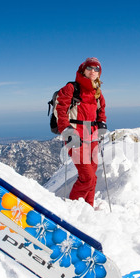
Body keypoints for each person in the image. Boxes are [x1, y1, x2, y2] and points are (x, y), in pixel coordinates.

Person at [55, 57, 107, 207]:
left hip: (92, 135)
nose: (93, 71)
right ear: (83, 70)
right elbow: (60, 110)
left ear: (99, 73)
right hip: (75, 135)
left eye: (96, 69)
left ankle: (88, 207)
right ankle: (72, 209)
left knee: (93, 177)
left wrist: (102, 124)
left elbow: (101, 111)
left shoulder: (97, 92)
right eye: (89, 68)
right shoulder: (72, 88)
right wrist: (66, 130)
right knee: (87, 177)